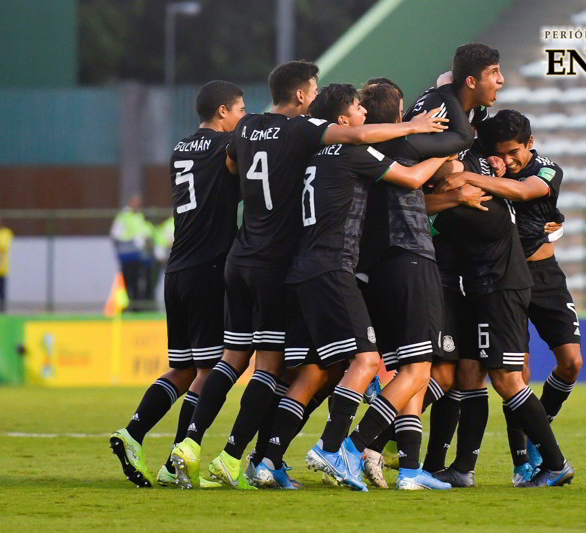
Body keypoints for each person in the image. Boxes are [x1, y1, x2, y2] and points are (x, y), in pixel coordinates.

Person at [169, 60, 448, 489]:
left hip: (239, 256)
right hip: (286, 263)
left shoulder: (248, 126)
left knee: (243, 361)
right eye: (312, 89)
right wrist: (416, 128)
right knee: (283, 366)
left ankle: (198, 446)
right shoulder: (306, 133)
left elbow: (229, 165)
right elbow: (363, 140)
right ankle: (272, 454)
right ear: (302, 95)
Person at [316, 43, 503, 492]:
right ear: (399, 113)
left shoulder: (361, 152)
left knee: (411, 371)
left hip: (375, 265)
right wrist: (443, 133)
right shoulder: (403, 143)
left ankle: (412, 471)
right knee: (419, 371)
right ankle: (351, 447)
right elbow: (460, 139)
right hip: (410, 258)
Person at [250, 83, 450, 489]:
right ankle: (333, 449)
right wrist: (444, 149)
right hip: (333, 267)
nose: (361, 113)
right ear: (342, 120)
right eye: (356, 108)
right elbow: (410, 177)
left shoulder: (312, 152)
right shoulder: (351, 149)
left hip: (302, 268)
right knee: (365, 361)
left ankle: (266, 459)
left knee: (314, 371)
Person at [109, 80, 246, 488]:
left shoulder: (180, 149)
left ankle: (133, 434)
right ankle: (176, 461)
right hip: (207, 268)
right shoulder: (226, 150)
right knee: (210, 369)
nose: (242, 119)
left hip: (178, 268)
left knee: (183, 369)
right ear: (222, 111)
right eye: (239, 110)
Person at [439, 109, 580, 486]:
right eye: (501, 153)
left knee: (570, 363)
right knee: (512, 372)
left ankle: (540, 435)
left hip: (543, 275)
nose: (509, 159)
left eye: (515, 152)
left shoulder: (546, 170)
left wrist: (468, 176)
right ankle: (522, 463)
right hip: (503, 277)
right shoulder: (492, 167)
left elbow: (525, 192)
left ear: (530, 145)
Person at [110, 195, 151, 311]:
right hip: (128, 255)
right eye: (136, 202)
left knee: (139, 283)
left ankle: (137, 308)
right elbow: (116, 235)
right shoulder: (123, 217)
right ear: (130, 202)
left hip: (139, 255)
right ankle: (129, 307)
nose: (138, 205)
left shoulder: (139, 216)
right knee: (129, 283)